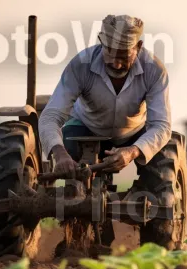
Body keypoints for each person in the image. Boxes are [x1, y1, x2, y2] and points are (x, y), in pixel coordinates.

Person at [38, 14, 171, 177]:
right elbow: (51, 115)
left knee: (159, 155)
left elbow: (161, 126)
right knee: (70, 150)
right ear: (102, 42)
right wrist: (59, 154)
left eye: (123, 55)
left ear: (139, 46)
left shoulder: (154, 70)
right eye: (110, 52)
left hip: (134, 134)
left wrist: (132, 151)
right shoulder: (81, 65)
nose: (116, 63)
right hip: (87, 128)